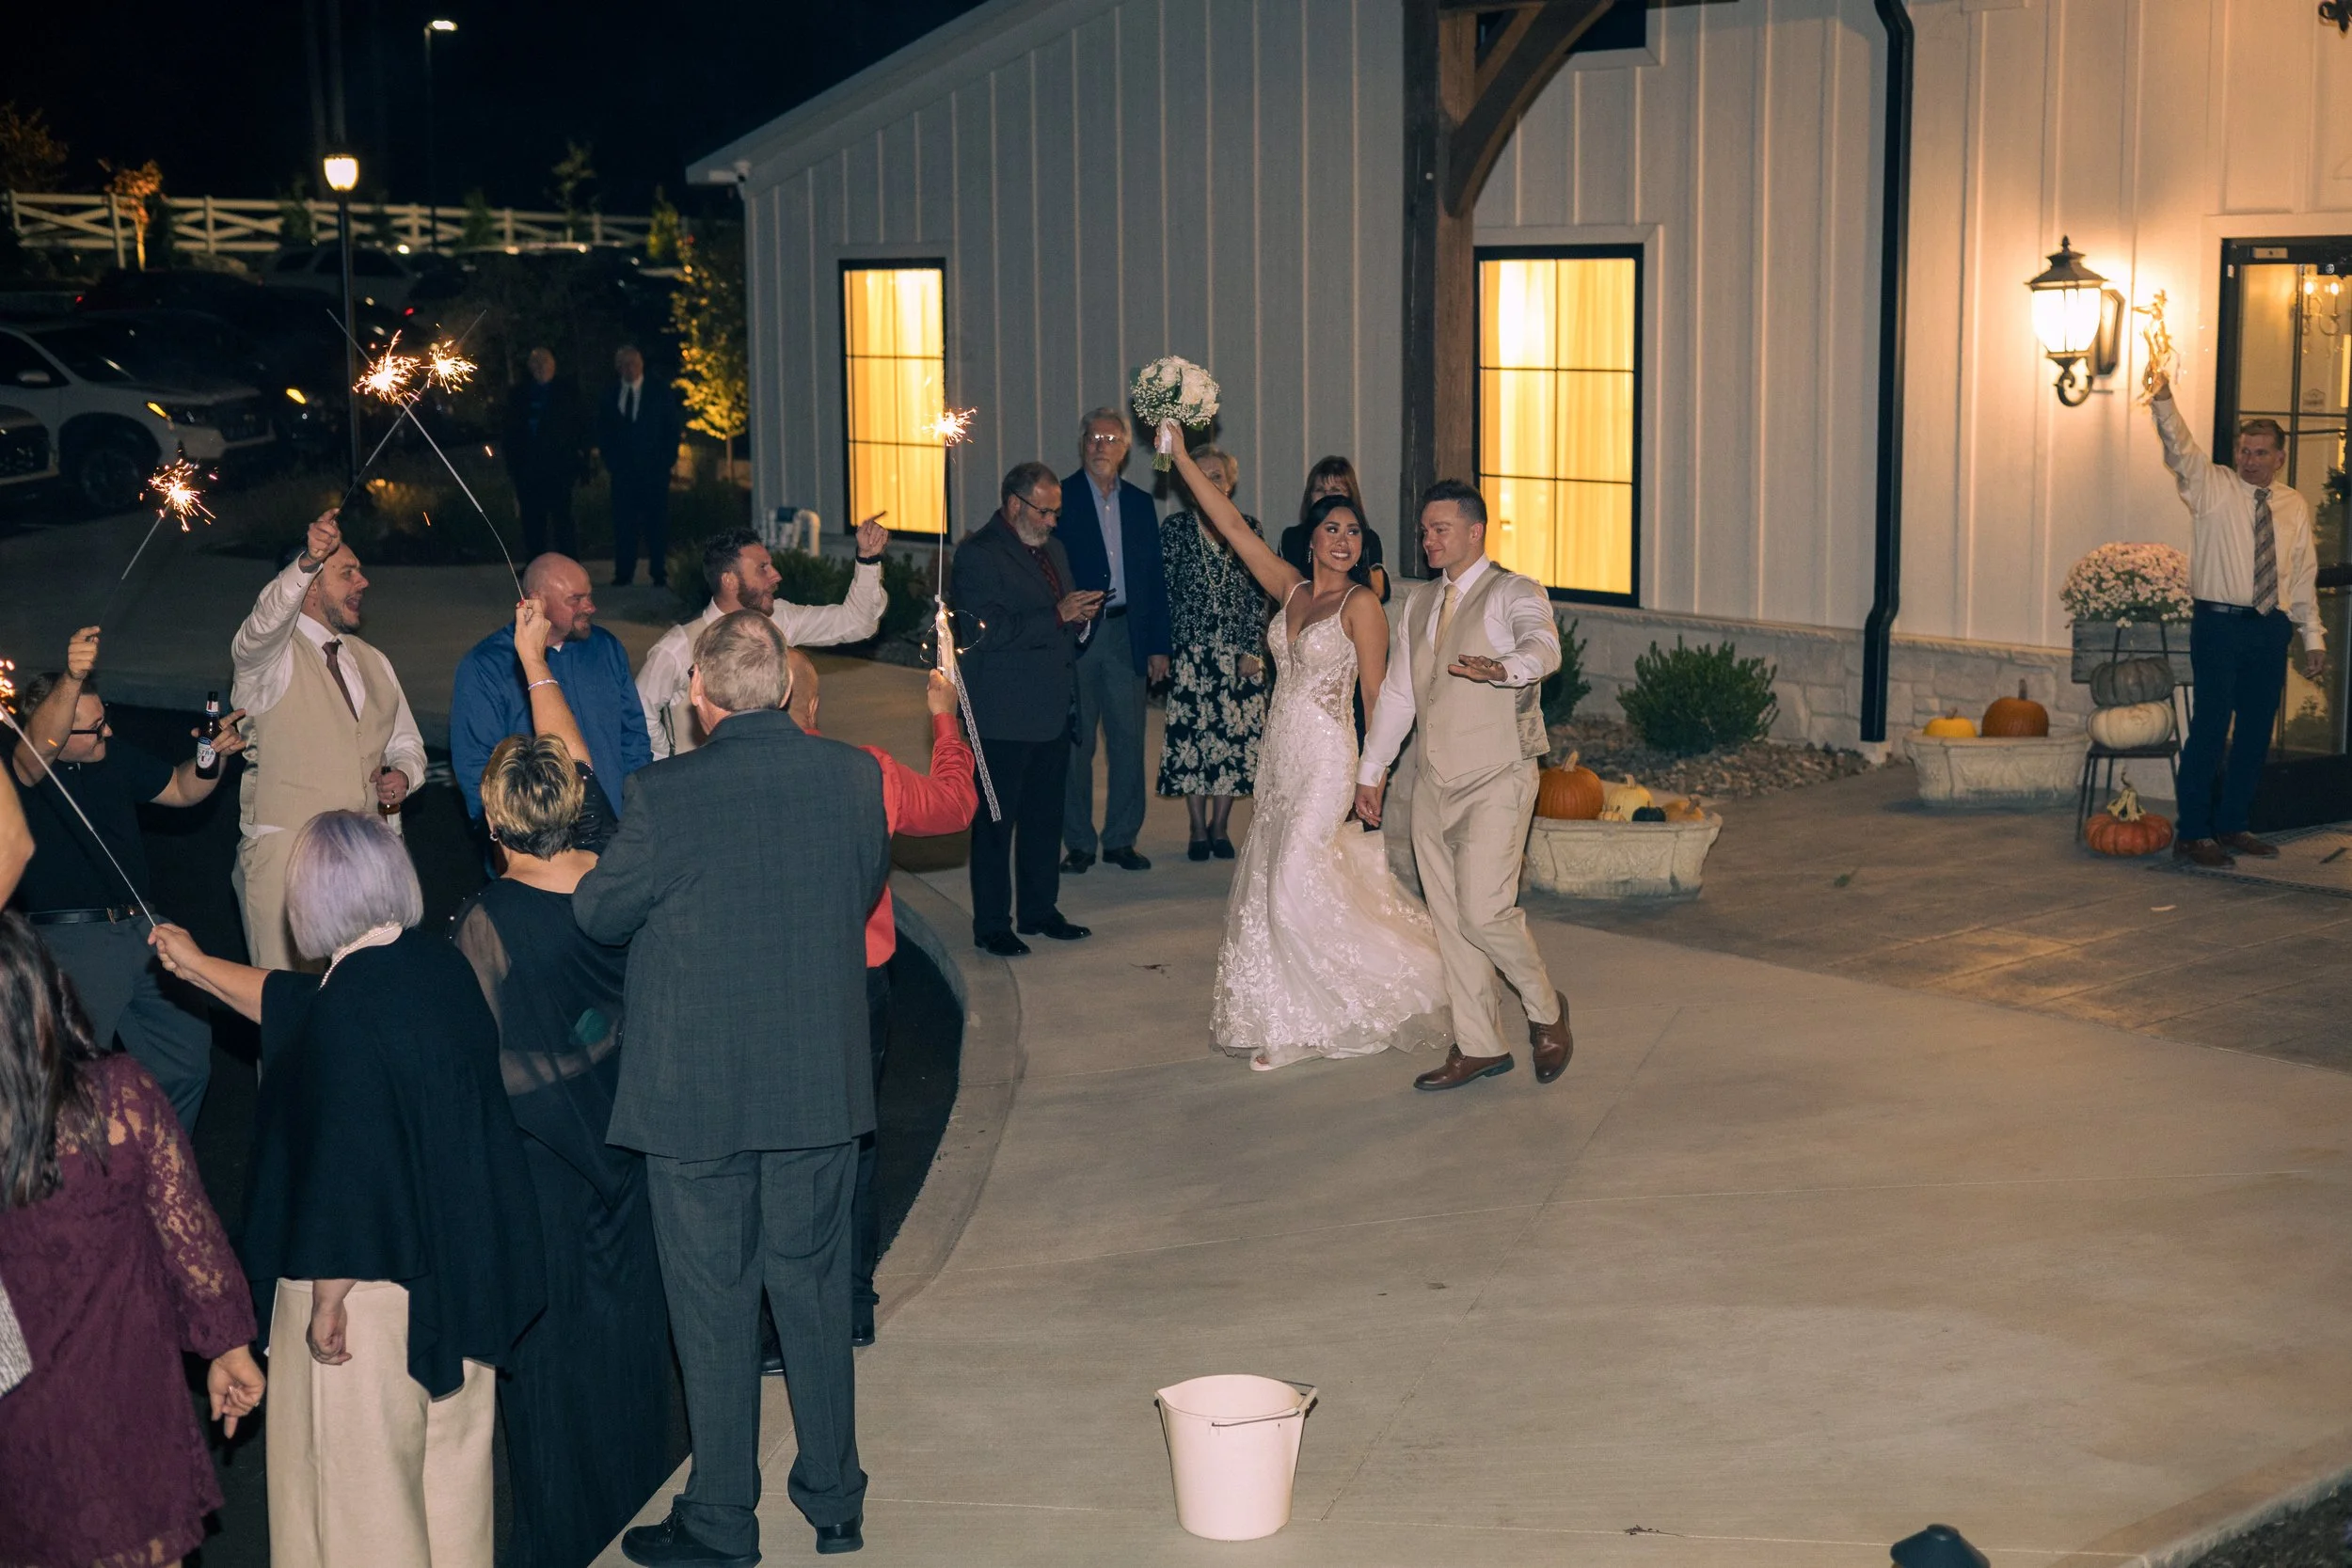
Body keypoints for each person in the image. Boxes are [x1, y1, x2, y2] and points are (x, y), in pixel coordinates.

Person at [149, 812, 544, 1568]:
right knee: (453, 1490)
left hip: (365, 1295)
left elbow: (348, 1168)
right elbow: (292, 1002)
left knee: (355, 1505)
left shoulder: (344, 1011)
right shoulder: (435, 967)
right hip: (459, 1282)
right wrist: (197, 966)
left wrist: (328, 1298)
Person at [575, 610, 889, 1565]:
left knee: (713, 1302)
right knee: (815, 1290)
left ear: (701, 698)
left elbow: (598, 913)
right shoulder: (851, 777)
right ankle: (835, 1500)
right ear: (788, 689)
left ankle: (721, 1516)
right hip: (814, 1083)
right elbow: (857, 883)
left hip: (697, 1095)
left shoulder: (663, 793)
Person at [452, 610, 669, 1568]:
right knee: (638, 1343)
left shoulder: (487, 921)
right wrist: (537, 666)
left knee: (551, 1366)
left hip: (546, 1167)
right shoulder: (616, 876)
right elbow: (582, 770)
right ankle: (647, 1501)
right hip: (636, 1136)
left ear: (495, 821)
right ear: (574, 804)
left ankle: (563, 1539)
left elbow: (482, 1057)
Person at [1163, 433, 1450, 1070]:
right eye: (1333, 528)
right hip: (1278, 757)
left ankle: (1311, 1024)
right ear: (1313, 537)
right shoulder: (1289, 589)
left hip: (1327, 757)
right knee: (1271, 879)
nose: (1344, 539)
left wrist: (1372, 777)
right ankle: (1286, 1011)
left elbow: (1376, 697)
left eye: (1353, 530)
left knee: (1293, 875)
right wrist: (1181, 457)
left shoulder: (1362, 604)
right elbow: (1231, 524)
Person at [0, 913, 265, 1568]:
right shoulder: (117, 1099)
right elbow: (189, 1235)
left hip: (21, 1427)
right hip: (125, 1415)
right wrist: (228, 1344)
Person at [1356, 480, 1575, 1093]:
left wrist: (1505, 668)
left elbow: (1544, 646)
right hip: (1434, 781)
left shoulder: (1514, 591)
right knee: (1451, 921)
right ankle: (1479, 1044)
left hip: (1498, 775)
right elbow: (1400, 694)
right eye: (1424, 529)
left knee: (1484, 911)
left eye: (1440, 528)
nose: (1428, 538)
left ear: (1475, 531)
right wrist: (1370, 771)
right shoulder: (1420, 603)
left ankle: (1546, 1009)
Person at [787, 648, 976, 1345]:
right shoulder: (866, 772)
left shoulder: (699, 783)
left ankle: (779, 1323)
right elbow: (955, 805)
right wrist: (943, 721)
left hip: (763, 986)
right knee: (853, 1139)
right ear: (811, 708)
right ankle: (851, 1300)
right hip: (854, 984)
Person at [7, 627, 247, 1129]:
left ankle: (155, 1168)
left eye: (105, 720)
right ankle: (77, 1190)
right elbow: (36, 752)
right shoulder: (24, 769)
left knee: (184, 1059)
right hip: (70, 941)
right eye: (94, 727)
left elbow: (182, 789)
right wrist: (73, 674)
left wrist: (212, 757)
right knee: (71, 1082)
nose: (108, 732)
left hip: (143, 930)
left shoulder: (113, 757)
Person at [229, 507, 426, 971]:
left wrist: (404, 774)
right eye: (348, 573)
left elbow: (407, 743)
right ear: (312, 585)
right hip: (286, 868)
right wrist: (305, 562)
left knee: (364, 1004)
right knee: (290, 1012)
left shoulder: (372, 659)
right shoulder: (266, 660)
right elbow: (262, 625)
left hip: (366, 867)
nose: (363, 583)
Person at [2149, 370, 2328, 867]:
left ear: (2280, 457)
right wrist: (2164, 401)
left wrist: (2312, 638)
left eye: (2260, 452)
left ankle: (2233, 824)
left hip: (2269, 627)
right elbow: (2179, 447)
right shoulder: (2212, 488)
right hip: (2219, 625)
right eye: (2244, 451)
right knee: (2210, 726)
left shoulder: (2293, 505)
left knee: (2254, 731)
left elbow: (2302, 575)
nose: (2249, 460)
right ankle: (2193, 833)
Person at [953, 462, 1102, 956]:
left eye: (1057, 512)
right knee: (997, 826)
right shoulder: (979, 556)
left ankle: (1039, 911)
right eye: (1045, 511)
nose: (1053, 522)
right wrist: (1056, 614)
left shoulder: (1052, 549)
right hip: (1001, 715)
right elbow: (982, 633)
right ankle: (992, 924)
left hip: (1051, 709)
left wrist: (1080, 619)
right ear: (1014, 504)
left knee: (1044, 820)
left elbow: (1059, 623)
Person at [637, 519, 892, 760]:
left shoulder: (779, 620)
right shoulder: (678, 646)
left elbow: (857, 622)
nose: (776, 575)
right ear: (729, 580)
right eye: (763, 568)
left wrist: (868, 561)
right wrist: (668, 756)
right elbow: (638, 711)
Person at [451, 552, 650, 826]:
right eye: (576, 599)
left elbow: (634, 736)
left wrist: (637, 809)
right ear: (536, 601)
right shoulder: (486, 666)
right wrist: (502, 841)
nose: (590, 607)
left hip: (614, 831)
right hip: (538, 842)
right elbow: (476, 766)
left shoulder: (606, 648)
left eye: (590, 596)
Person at [1059, 407, 1171, 873]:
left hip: (1127, 633)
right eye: (1093, 437)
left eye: (1110, 438)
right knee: (1077, 743)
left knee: (1128, 740)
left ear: (1126, 450)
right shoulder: (1061, 498)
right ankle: (1080, 843)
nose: (1101, 445)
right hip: (1080, 634)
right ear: (1082, 444)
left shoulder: (1141, 505)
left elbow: (1153, 579)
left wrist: (1158, 645)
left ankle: (1122, 838)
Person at [1156, 443, 1271, 861]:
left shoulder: (1250, 528)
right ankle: (1195, 826)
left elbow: (1260, 594)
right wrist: (1163, 651)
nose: (1211, 482)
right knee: (1194, 743)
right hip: (1191, 656)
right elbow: (1161, 593)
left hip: (1238, 655)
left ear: (1231, 482)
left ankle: (1220, 826)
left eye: (1217, 476)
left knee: (1233, 745)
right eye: (1201, 476)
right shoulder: (1174, 530)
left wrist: (1253, 649)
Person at [598, 344, 683, 589]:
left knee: (656, 523)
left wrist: (666, 463)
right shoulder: (610, 394)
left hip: (654, 472)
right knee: (624, 524)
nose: (629, 369)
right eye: (624, 365)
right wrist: (612, 463)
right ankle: (624, 571)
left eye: (633, 364)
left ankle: (658, 571)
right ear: (618, 368)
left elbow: (671, 430)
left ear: (641, 365)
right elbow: (604, 433)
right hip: (623, 473)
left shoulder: (659, 392)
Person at [505, 346, 590, 559]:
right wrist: (514, 466)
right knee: (533, 521)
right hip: (529, 470)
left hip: (560, 468)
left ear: (553, 365)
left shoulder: (567, 392)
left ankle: (569, 564)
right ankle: (536, 565)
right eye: (536, 363)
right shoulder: (519, 394)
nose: (541, 367)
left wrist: (582, 460)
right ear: (530, 367)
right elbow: (510, 432)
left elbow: (581, 427)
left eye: (545, 362)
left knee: (563, 519)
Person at [1281, 456, 1390, 601]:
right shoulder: (1291, 537)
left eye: (1335, 490)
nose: (1327, 497)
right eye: (1320, 490)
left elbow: (1379, 591)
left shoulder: (1367, 538)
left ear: (1350, 495)